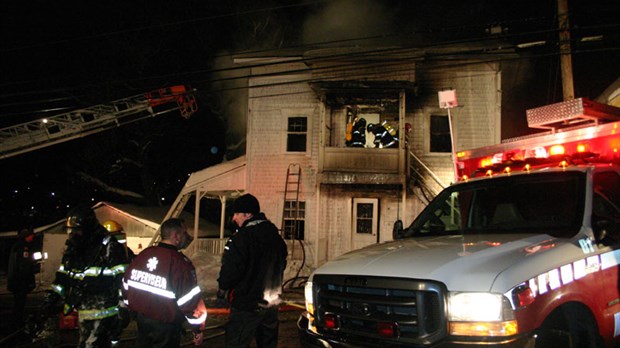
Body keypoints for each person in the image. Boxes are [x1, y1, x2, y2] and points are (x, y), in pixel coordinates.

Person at [39, 205, 130, 348]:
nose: (74, 233)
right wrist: (51, 298)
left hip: (105, 312)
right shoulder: (75, 248)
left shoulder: (108, 246)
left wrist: (123, 306)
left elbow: (123, 278)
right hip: (83, 310)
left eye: (78, 229)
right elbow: (63, 276)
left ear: (88, 227)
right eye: (72, 230)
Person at [217, 193, 288, 348]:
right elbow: (282, 264)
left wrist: (222, 289)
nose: (234, 218)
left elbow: (231, 270)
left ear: (248, 214)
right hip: (271, 304)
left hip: (246, 305)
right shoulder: (275, 237)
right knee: (268, 343)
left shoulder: (241, 238)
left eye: (237, 214)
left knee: (237, 342)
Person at [122, 218, 206, 348]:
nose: (188, 237)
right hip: (166, 327)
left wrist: (132, 310)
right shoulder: (181, 264)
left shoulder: (144, 255)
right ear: (175, 236)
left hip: (142, 321)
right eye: (185, 233)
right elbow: (189, 302)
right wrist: (197, 329)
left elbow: (126, 285)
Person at [7, 228, 41, 328]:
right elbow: (24, 266)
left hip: (16, 279)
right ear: (27, 236)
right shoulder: (23, 247)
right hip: (20, 281)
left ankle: (16, 321)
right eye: (31, 235)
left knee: (19, 302)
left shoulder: (17, 246)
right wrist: (33, 267)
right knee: (19, 302)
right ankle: (16, 323)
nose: (33, 237)